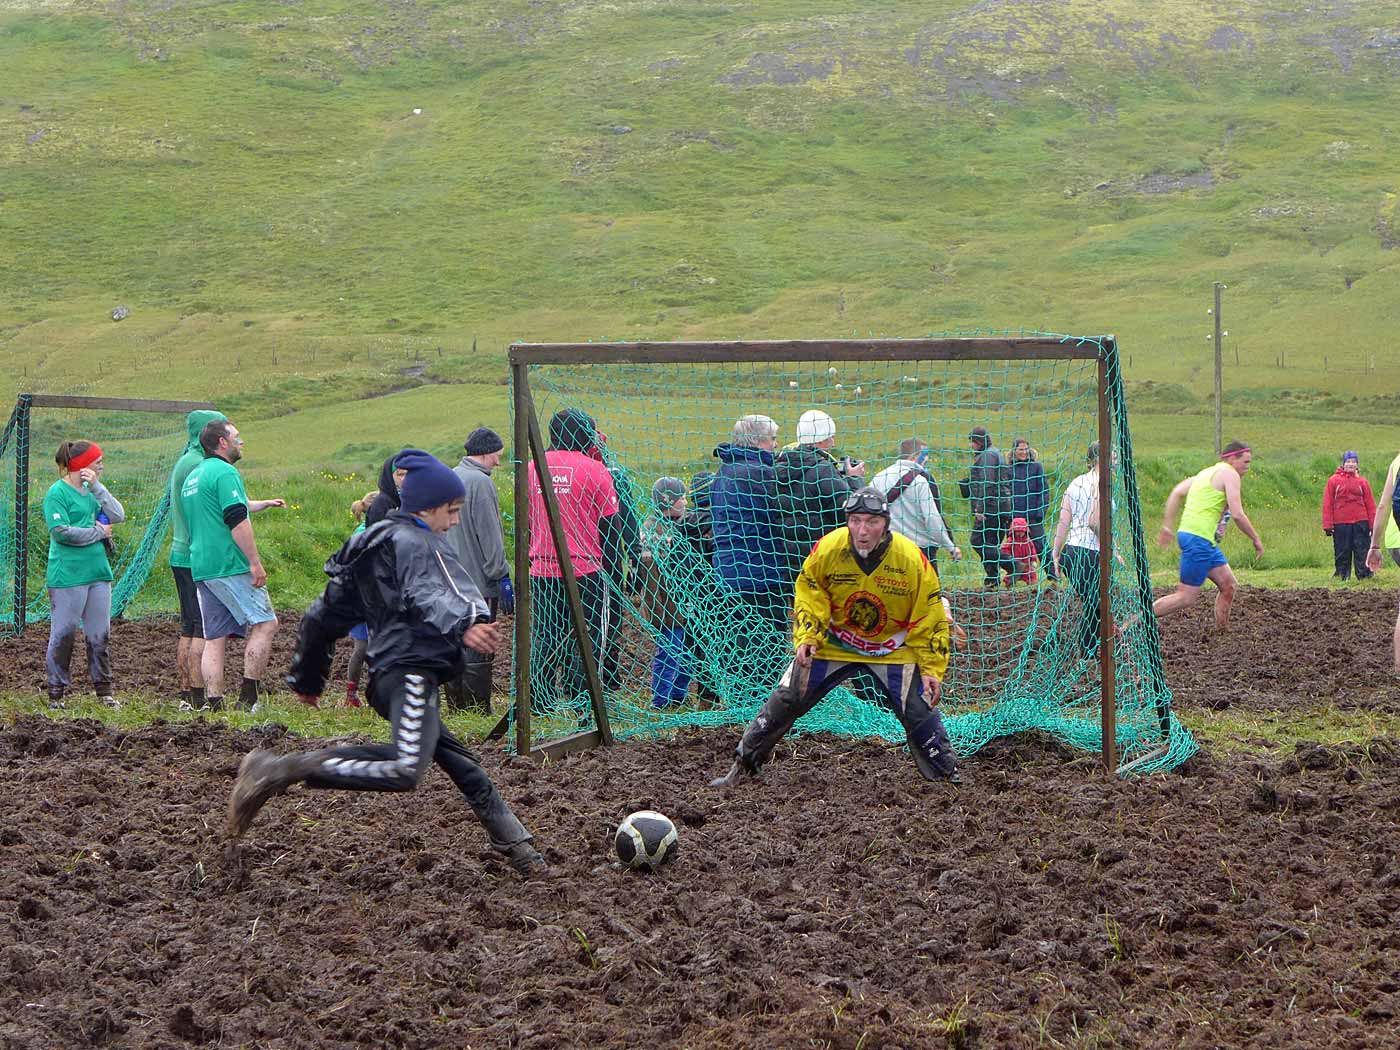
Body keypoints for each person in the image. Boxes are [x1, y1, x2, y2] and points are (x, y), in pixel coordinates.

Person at [226, 450, 548, 876]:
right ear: (427, 507)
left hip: (395, 674)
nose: (453, 522)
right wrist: (468, 621)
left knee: (456, 758)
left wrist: (308, 676)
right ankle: (278, 769)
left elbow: (323, 614)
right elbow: (436, 590)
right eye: (450, 512)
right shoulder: (418, 543)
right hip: (409, 671)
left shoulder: (375, 542)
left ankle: (516, 843)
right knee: (403, 767)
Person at [709, 487, 960, 788]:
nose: (862, 531)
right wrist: (808, 636)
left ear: (886, 524)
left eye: (871, 522)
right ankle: (742, 766)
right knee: (787, 696)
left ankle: (947, 779)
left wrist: (932, 669)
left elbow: (929, 614)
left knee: (920, 709)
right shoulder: (829, 549)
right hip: (833, 643)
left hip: (892, 648)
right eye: (855, 521)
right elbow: (810, 591)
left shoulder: (910, 560)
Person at [181, 419, 285, 711]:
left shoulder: (195, 475)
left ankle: (215, 703)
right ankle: (249, 699)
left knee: (215, 637)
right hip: (230, 563)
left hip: (201, 565)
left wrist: (262, 504)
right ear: (222, 443)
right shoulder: (226, 472)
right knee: (266, 623)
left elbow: (221, 507)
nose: (242, 442)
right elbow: (235, 519)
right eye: (237, 437)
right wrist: (255, 563)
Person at [527, 408, 622, 715]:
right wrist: (615, 573)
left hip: (541, 567)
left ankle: (539, 700)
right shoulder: (596, 471)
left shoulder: (532, 468)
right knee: (592, 635)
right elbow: (610, 528)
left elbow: (527, 519)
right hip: (587, 569)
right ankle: (584, 699)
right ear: (585, 435)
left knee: (546, 634)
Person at [43, 440, 125, 705]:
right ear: (81, 464)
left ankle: (104, 692)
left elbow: (118, 515)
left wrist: (99, 488)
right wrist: (98, 533)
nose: (101, 464)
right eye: (96, 460)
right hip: (68, 575)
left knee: (100, 634)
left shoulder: (93, 492)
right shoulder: (57, 493)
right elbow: (61, 532)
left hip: (98, 573)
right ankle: (56, 694)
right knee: (64, 634)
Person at [1152, 441, 1263, 630]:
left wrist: (1168, 527)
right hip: (1198, 539)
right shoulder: (1230, 474)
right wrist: (1255, 538)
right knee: (1186, 597)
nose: (1247, 467)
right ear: (1231, 459)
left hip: (1201, 540)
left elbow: (1177, 492)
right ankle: (1132, 622)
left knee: (1228, 586)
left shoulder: (1205, 473)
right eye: (1245, 462)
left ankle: (1222, 632)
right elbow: (1237, 513)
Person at [442, 427, 513, 712]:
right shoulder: (480, 484)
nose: (498, 460)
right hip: (477, 583)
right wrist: (501, 574)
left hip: (448, 581)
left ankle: (456, 705)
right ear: (485, 453)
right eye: (497, 454)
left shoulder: (450, 477)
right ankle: (476, 706)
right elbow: (490, 535)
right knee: (479, 641)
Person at [167, 409, 226, 708]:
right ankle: (199, 695)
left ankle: (186, 693)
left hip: (181, 553)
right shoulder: (198, 465)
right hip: (194, 556)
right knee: (202, 626)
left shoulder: (185, 460)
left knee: (189, 625)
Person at [711, 414, 791, 635]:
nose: (776, 444)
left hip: (728, 573)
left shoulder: (725, 471)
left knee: (738, 651)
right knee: (766, 651)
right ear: (756, 441)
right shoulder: (758, 474)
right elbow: (783, 510)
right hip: (758, 576)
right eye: (772, 438)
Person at [637, 476, 709, 709]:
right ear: (668, 502)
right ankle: (660, 699)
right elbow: (652, 576)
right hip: (665, 605)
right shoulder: (654, 530)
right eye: (681, 499)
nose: (686, 502)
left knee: (687, 652)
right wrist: (658, 610)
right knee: (669, 652)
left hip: (685, 602)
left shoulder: (682, 524)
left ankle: (678, 695)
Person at [775, 409, 865, 573]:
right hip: (818, 558)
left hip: (785, 558)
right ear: (822, 439)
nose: (833, 443)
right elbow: (849, 511)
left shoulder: (777, 466)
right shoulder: (822, 470)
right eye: (831, 436)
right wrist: (854, 479)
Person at [1051, 443, 1110, 659]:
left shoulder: (1075, 482)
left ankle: (1090, 653)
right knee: (1097, 606)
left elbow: (1063, 521)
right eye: (1113, 455)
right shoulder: (1101, 482)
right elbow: (1094, 522)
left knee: (1094, 606)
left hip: (1070, 553)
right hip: (1089, 554)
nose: (1116, 460)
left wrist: (1056, 553)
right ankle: (1088, 654)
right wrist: (1111, 548)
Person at [870, 438, 961, 571]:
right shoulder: (921, 481)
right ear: (914, 457)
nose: (927, 459)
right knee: (928, 590)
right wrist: (950, 547)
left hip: (889, 548)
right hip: (920, 551)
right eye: (924, 455)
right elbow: (932, 518)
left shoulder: (878, 478)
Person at [960, 425, 1015, 589]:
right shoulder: (992, 453)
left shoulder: (988, 456)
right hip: (1001, 507)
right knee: (990, 544)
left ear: (981, 441)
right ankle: (992, 579)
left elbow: (987, 483)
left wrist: (980, 509)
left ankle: (1014, 566)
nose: (972, 445)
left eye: (974, 442)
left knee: (977, 541)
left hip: (992, 508)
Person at [340, 489, 379, 708]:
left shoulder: (361, 531)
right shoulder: (367, 535)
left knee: (363, 646)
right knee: (368, 646)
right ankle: (359, 693)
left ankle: (353, 693)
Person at [1365, 452, 1400, 678]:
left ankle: (1399, 667)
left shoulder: (1397, 461)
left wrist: (1374, 546)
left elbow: (1382, 506)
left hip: (1395, 542)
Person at [1322, 451, 1377, 581]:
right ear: (1343, 464)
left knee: (1362, 549)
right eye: (1348, 462)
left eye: (1353, 462)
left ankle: (1364, 575)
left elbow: (1370, 504)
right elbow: (1327, 503)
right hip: (1341, 523)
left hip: (1361, 522)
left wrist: (1373, 524)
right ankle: (1342, 575)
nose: (1351, 464)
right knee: (1342, 550)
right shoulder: (1333, 481)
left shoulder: (1363, 482)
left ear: (1357, 465)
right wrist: (1327, 525)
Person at [1010, 438, 1055, 579]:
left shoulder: (1036, 467)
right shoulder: (1008, 469)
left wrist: (1040, 512)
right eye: (1020, 449)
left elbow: (1043, 491)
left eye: (1025, 449)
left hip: (1033, 516)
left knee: (1041, 546)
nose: (1023, 452)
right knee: (1013, 548)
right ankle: (1015, 577)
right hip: (1014, 517)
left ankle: (1053, 575)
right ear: (1014, 451)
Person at [365, 450, 412, 526]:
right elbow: (377, 534)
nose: (404, 478)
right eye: (400, 475)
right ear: (389, 476)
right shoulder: (381, 503)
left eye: (407, 474)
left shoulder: (412, 498)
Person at [999, 517, 1040, 586]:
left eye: (1022, 531)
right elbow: (1004, 549)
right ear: (1013, 531)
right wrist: (1008, 557)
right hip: (1016, 563)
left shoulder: (1028, 541)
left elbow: (1032, 551)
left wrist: (1033, 560)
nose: (1020, 533)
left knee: (1031, 574)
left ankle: (1032, 585)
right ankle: (1009, 584)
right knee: (1012, 575)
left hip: (1026, 564)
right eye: (1018, 531)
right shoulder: (1011, 541)